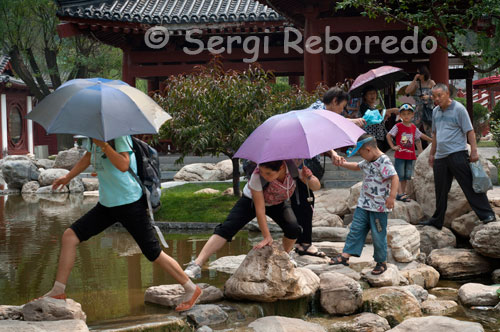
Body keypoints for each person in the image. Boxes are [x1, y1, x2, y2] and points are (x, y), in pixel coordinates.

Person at [43, 136, 201, 312]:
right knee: (70, 236)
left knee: (153, 252)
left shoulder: (119, 137)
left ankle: (191, 289)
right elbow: (88, 157)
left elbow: (124, 164)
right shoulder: (93, 136)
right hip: (107, 204)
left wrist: (103, 145)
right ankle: (58, 291)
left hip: (130, 203)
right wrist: (67, 177)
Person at [184, 160, 321, 278]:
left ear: (281, 168)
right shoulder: (257, 177)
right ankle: (197, 264)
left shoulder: (293, 169)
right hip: (250, 201)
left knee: (294, 229)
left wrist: (308, 177)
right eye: (262, 171)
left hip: (278, 203)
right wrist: (267, 237)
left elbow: (316, 186)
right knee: (227, 228)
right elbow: (260, 209)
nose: (264, 175)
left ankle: (284, 256)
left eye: (268, 173)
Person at [419, 84, 496, 229]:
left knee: (469, 185)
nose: (436, 99)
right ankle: (437, 220)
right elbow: (435, 134)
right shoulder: (435, 111)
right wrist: (431, 154)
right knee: (440, 190)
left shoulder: (459, 109)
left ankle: (487, 214)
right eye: (434, 96)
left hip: (457, 154)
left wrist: (474, 151)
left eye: (439, 95)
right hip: (440, 157)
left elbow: (470, 131)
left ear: (447, 94)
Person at [330, 134, 399, 275]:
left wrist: (392, 197)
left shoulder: (383, 160)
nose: (361, 157)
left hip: (379, 207)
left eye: (361, 153)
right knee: (356, 229)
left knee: (378, 234)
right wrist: (342, 163)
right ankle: (346, 255)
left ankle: (381, 262)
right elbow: (356, 166)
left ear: (368, 149)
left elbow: (394, 177)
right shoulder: (368, 161)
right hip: (364, 204)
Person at [386, 104, 432, 202]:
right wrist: (392, 146)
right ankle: (399, 193)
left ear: (412, 115)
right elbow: (389, 135)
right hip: (400, 155)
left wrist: (432, 140)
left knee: (406, 176)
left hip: (410, 155)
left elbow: (421, 135)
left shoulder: (413, 127)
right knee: (399, 175)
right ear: (400, 116)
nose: (406, 116)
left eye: (408, 114)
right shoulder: (398, 126)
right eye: (404, 114)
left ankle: (403, 193)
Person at [358, 85, 399, 152]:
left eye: (374, 93)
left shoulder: (374, 107)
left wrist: (384, 118)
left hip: (379, 136)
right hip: (370, 138)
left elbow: (378, 121)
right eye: (370, 94)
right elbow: (371, 116)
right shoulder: (363, 107)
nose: (372, 96)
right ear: (365, 96)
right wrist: (391, 110)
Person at [405, 65, 436, 136]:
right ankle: (416, 146)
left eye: (419, 73)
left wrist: (429, 97)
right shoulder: (417, 84)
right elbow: (407, 91)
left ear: (424, 73)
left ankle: (431, 146)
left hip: (428, 109)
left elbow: (437, 96)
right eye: (417, 73)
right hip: (418, 110)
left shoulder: (431, 83)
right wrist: (414, 79)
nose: (418, 75)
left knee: (430, 132)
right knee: (412, 130)